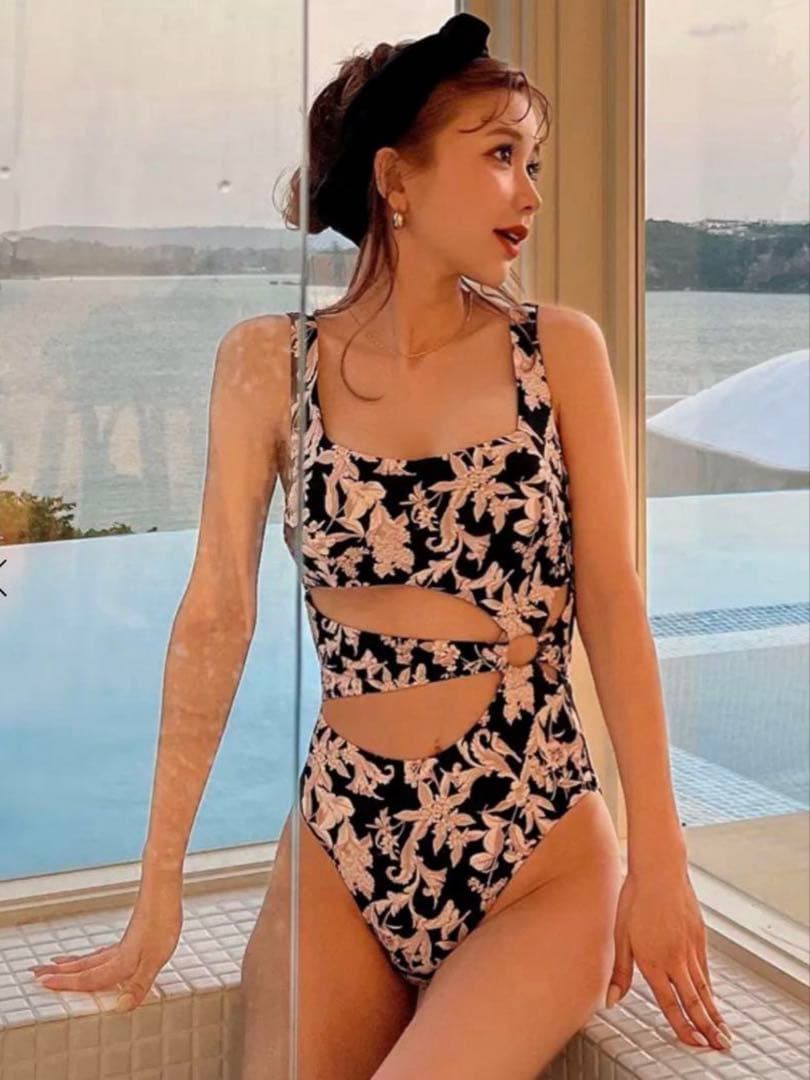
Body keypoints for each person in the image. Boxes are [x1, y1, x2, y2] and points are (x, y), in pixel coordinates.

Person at [30, 13, 733, 1079]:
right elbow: (216, 615)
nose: (529, 193)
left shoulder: (559, 352)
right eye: (499, 156)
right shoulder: (268, 364)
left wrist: (662, 861)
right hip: (343, 840)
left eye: (533, 162)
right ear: (396, 179)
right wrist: (158, 889)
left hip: (536, 848)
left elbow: (613, 601)